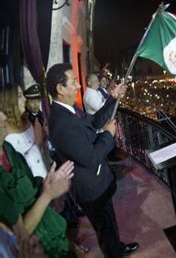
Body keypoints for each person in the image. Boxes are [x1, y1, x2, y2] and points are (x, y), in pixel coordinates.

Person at [46, 63, 139, 257]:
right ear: (60, 88)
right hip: (91, 189)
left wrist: (113, 99)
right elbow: (92, 158)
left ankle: (117, 248)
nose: (79, 86)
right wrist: (108, 135)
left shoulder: (69, 110)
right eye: (73, 82)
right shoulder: (62, 123)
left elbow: (95, 121)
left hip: (97, 184)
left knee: (109, 225)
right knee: (105, 227)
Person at [0, 86, 75, 257]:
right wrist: (47, 194)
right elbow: (20, 232)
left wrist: (48, 185)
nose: (3, 115)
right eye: (19, 96)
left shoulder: (9, 149)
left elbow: (31, 186)